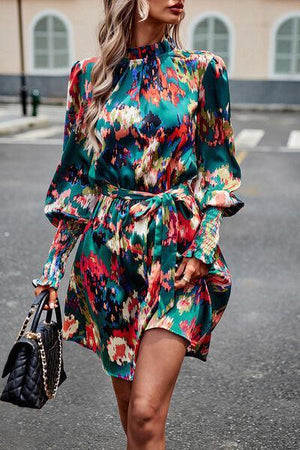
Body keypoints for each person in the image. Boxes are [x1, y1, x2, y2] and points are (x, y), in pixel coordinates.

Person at [33, 0, 244, 448]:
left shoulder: (203, 71)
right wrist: (53, 269)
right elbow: (76, 181)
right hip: (108, 259)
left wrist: (204, 248)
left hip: (177, 252)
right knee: (133, 416)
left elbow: (217, 171)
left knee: (146, 414)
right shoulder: (87, 77)